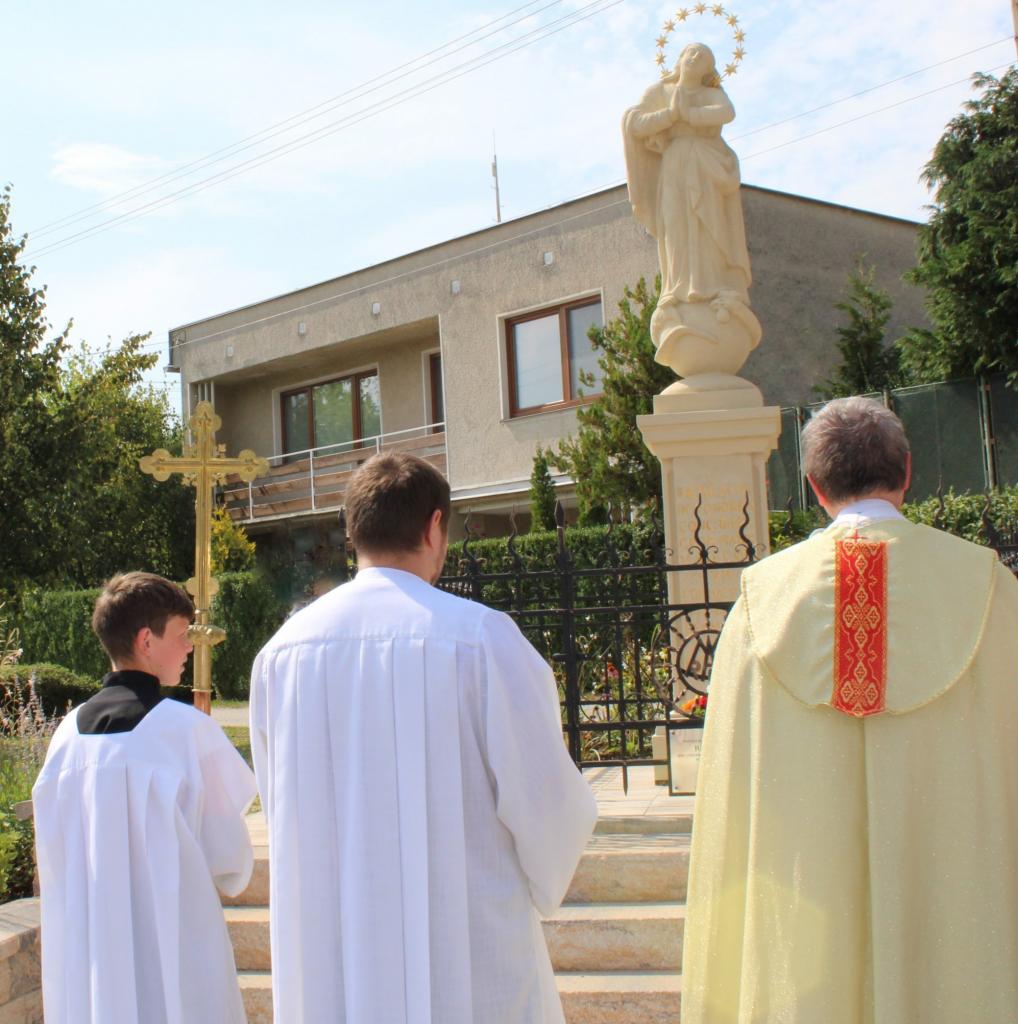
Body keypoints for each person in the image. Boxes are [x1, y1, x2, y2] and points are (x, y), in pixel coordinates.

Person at [681, 396, 1018, 1022]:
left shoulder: (762, 601)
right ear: (907, 471)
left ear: (814, 485)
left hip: (808, 908)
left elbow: (733, 786)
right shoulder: (987, 586)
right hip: (952, 897)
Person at [250, 452, 598, 1023]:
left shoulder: (282, 655)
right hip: (465, 941)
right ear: (435, 526)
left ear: (352, 532)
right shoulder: (481, 639)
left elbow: (279, 803)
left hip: (335, 944)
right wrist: (543, 879)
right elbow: (548, 801)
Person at [32, 572, 256, 1024]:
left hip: (92, 944)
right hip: (172, 939)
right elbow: (228, 857)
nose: (191, 646)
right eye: (181, 634)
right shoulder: (185, 730)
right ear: (146, 640)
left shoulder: (67, 736)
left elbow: (52, 855)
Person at [623, 43, 751, 313]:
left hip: (706, 163)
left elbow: (727, 112)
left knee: (708, 221)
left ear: (708, 69)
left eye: (702, 56)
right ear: (680, 59)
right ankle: (677, 287)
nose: (694, 57)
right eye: (690, 52)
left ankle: (713, 285)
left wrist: (690, 114)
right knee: (675, 223)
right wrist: (670, 114)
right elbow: (635, 123)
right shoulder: (660, 92)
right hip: (674, 161)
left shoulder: (711, 93)